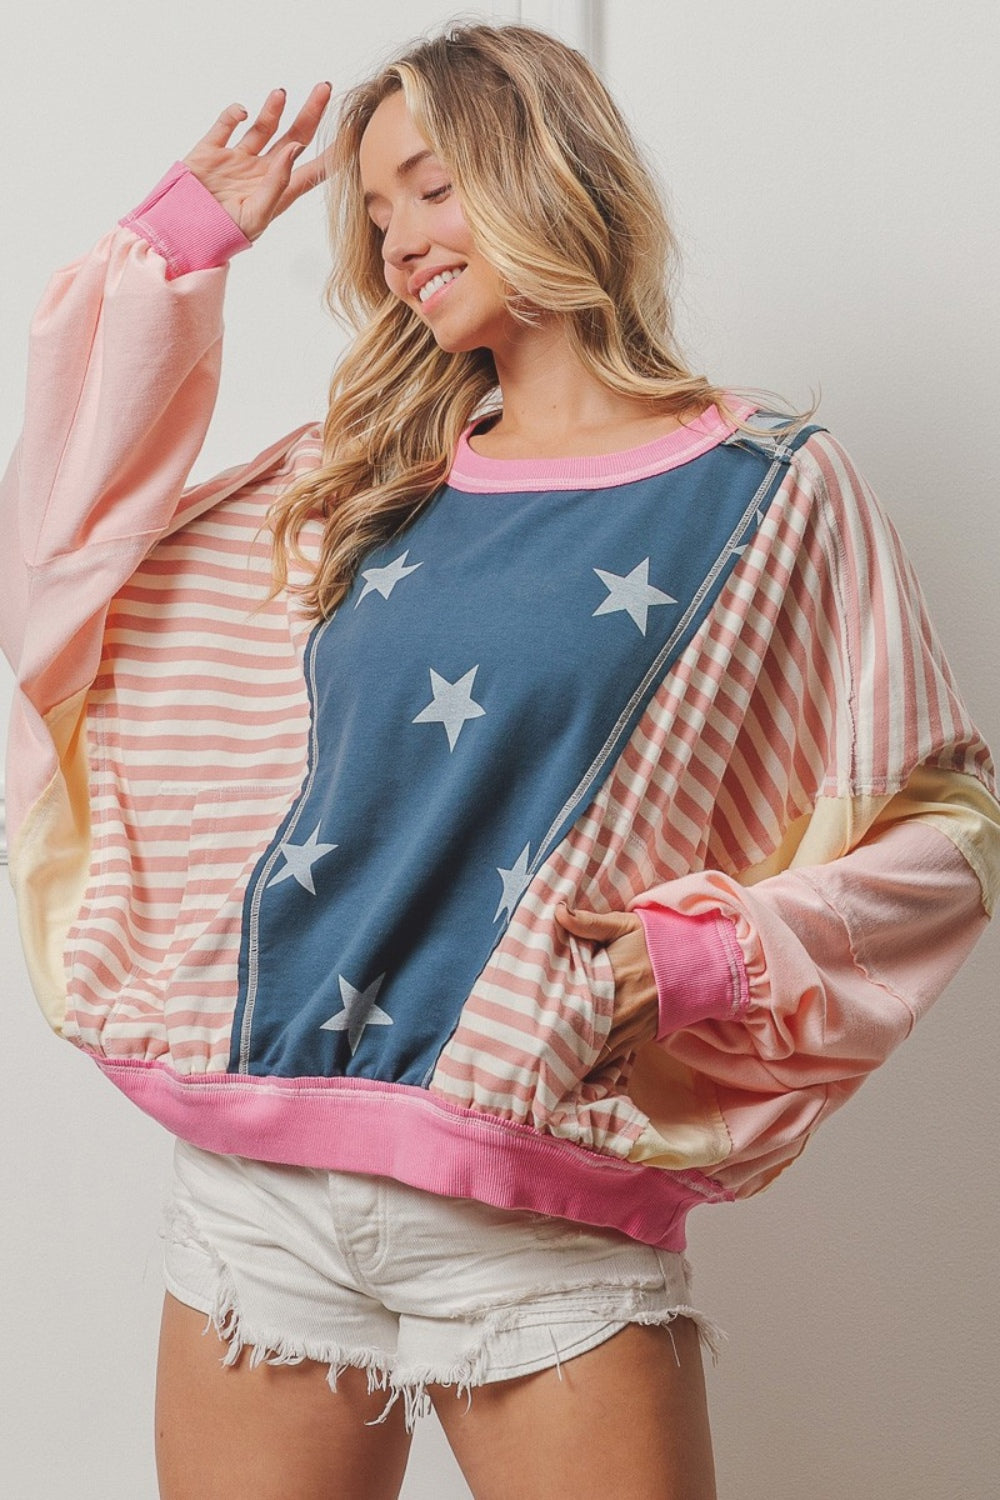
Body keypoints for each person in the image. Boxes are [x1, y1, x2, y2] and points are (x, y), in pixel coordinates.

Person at [1, 20, 997, 1500]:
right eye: (378, 212)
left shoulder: (771, 493)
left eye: (429, 185)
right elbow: (55, 568)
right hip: (256, 1206)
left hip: (536, 1224)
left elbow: (945, 825)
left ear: (543, 166)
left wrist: (713, 957)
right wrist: (176, 249)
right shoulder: (350, 480)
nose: (399, 240)